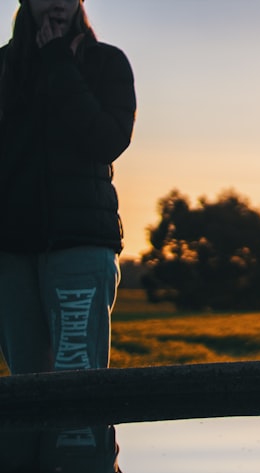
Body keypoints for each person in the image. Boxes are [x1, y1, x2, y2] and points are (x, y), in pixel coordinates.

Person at [0, 0, 136, 375]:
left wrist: (59, 63)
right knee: (25, 385)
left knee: (77, 381)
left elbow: (107, 140)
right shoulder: (4, 67)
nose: (57, 2)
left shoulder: (106, 63)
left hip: (81, 244)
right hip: (10, 252)